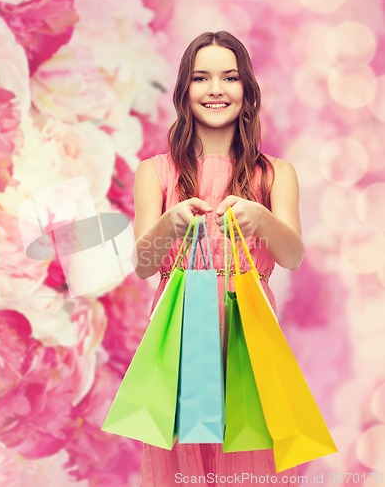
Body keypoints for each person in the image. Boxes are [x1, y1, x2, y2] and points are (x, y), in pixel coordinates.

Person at [133, 31, 304, 486]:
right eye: (200, 78)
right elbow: (144, 264)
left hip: (249, 329)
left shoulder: (276, 173)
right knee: (183, 453)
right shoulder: (155, 172)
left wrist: (264, 220)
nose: (215, 90)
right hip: (181, 329)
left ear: (247, 90)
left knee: (247, 446)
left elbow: (292, 256)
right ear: (183, 92)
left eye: (229, 78)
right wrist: (168, 224)